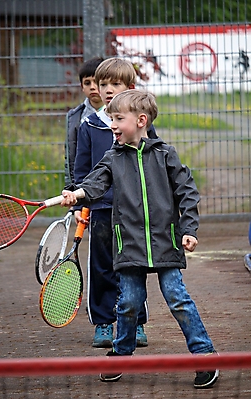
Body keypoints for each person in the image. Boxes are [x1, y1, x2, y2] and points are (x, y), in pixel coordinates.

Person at [61, 89, 219, 389]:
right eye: (111, 119)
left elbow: (187, 193)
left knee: (178, 299)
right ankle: (121, 355)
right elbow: (94, 184)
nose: (113, 125)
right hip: (129, 245)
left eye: (119, 118)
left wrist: (188, 229)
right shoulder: (112, 158)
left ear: (141, 120)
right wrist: (76, 194)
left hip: (165, 243)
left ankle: (205, 355)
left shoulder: (165, 155)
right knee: (130, 302)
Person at [72, 58, 157, 348]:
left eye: (116, 84)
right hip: (101, 210)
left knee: (134, 266)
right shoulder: (89, 126)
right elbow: (81, 172)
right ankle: (104, 324)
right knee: (102, 267)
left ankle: (136, 323)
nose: (108, 90)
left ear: (130, 88)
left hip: (133, 211)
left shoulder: (142, 125)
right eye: (103, 83)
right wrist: (77, 206)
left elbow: (153, 166)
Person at [64, 56, 104, 188]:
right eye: (87, 83)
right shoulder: (75, 117)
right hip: (85, 184)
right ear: (82, 86)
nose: (93, 87)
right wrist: (71, 188)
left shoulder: (120, 114)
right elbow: (70, 158)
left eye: (97, 82)